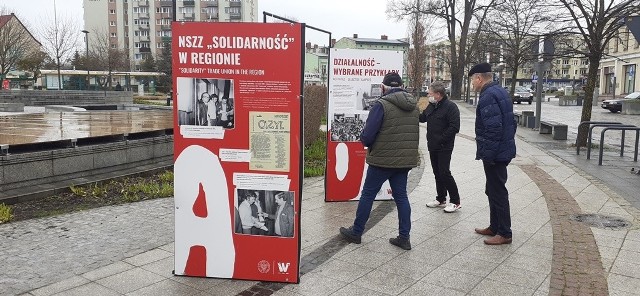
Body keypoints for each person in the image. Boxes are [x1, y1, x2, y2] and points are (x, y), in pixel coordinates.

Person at [339, 72, 420, 250]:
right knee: (401, 197)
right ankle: (404, 237)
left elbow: (367, 137)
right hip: (404, 161)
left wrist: (365, 140)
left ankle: (357, 232)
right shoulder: (414, 106)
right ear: (402, 86)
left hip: (382, 160)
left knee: (368, 194)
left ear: (383, 87)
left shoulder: (381, 105)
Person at [469, 62, 517, 245]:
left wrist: (487, 155)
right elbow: (511, 123)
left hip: (495, 153)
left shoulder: (488, 96)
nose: (473, 84)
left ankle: (504, 233)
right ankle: (495, 226)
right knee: (492, 190)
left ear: (479, 78)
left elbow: (493, 129)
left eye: (473, 80)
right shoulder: (500, 91)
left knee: (497, 192)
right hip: (501, 150)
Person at [420, 81, 461, 213]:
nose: (428, 95)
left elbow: (454, 127)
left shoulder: (451, 107)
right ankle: (441, 198)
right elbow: (422, 118)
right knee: (437, 172)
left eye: (430, 93)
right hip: (432, 145)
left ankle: (455, 201)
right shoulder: (432, 105)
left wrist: (441, 139)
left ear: (438, 94)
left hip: (444, 146)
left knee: (444, 172)